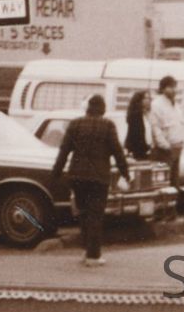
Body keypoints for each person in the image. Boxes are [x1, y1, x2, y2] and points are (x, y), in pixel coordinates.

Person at [51, 92, 129, 266]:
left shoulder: (75, 124)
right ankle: (93, 255)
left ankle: (86, 250)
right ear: (103, 110)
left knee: (84, 213)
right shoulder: (108, 125)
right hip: (99, 178)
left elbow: (64, 150)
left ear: (88, 108)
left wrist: (56, 172)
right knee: (95, 215)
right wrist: (125, 173)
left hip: (77, 176)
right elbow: (117, 151)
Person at [146, 75, 184, 193]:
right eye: (171, 87)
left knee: (174, 181)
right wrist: (165, 145)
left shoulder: (176, 105)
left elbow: (179, 124)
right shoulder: (156, 105)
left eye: (175, 87)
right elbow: (156, 128)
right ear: (163, 88)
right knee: (163, 183)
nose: (174, 90)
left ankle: (174, 202)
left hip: (177, 147)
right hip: (164, 150)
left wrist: (182, 142)